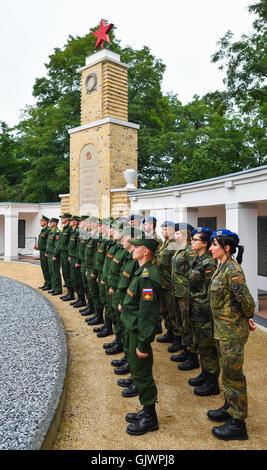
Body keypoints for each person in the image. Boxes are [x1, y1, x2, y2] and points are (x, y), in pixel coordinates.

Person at [207, 229, 257, 441]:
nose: (210, 248)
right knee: (227, 373)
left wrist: (247, 317)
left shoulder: (233, 270)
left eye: (214, 245)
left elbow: (247, 301)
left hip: (231, 332)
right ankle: (229, 407)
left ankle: (238, 423)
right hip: (223, 330)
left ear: (226, 248)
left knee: (233, 376)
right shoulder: (223, 267)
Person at [120, 237, 161, 435]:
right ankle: (146, 410)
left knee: (142, 373)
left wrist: (143, 344)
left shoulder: (148, 277)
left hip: (138, 332)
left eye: (137, 247)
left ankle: (150, 417)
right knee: (137, 372)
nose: (133, 248)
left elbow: (148, 313)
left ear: (146, 252)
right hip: (132, 329)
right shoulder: (140, 271)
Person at [188, 227, 220, 396]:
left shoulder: (208, 263)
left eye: (195, 240)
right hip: (196, 310)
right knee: (201, 344)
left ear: (205, 244)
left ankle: (212, 383)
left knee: (208, 347)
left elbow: (210, 291)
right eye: (192, 239)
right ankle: (205, 373)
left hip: (204, 313)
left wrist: (206, 311)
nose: (192, 242)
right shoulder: (198, 259)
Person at [170, 223, 199, 370]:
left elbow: (194, 272)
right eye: (175, 234)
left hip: (185, 294)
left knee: (188, 325)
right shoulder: (178, 249)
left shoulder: (189, 251)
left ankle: (193, 357)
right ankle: (185, 350)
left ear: (186, 235)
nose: (175, 236)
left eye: (178, 234)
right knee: (181, 322)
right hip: (177, 292)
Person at [156, 221, 178, 346]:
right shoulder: (165, 244)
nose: (164, 232)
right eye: (163, 229)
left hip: (170, 284)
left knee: (172, 312)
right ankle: (169, 332)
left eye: (167, 229)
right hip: (162, 283)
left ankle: (177, 338)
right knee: (164, 311)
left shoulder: (174, 245)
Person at [45, 218, 62, 295]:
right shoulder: (51, 232)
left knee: (55, 272)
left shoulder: (57, 232)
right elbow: (49, 243)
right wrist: (47, 252)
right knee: (51, 272)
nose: (50, 224)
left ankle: (58, 289)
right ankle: (54, 287)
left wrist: (55, 255)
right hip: (50, 254)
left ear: (55, 223)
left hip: (54, 255)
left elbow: (57, 245)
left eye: (51, 222)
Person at [59, 213, 73, 301]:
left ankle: (71, 294)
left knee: (68, 274)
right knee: (65, 273)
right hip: (63, 253)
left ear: (67, 219)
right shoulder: (64, 228)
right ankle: (69, 292)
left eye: (63, 218)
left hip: (67, 253)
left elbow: (70, 244)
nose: (61, 219)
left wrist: (69, 254)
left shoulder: (69, 229)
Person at [37, 216, 52, 291]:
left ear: (46, 222)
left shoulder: (48, 230)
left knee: (47, 268)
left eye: (42, 221)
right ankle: (46, 282)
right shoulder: (43, 230)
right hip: (41, 251)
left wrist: (47, 251)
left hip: (45, 252)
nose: (41, 222)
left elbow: (48, 243)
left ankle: (49, 284)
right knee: (44, 268)